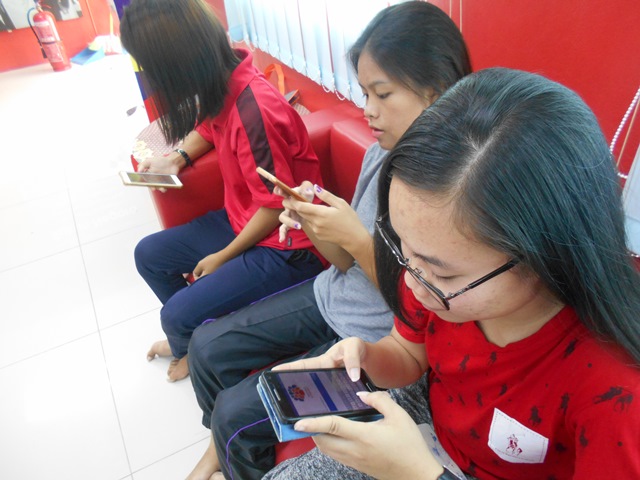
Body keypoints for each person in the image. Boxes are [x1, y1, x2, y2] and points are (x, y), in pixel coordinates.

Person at [263, 67, 640, 480]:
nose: (410, 281)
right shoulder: (430, 280)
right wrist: (368, 358)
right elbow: (409, 353)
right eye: (402, 247)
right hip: (430, 429)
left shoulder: (615, 393)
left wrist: (419, 474)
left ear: (545, 258)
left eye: (442, 275)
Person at [185, 2, 472, 479]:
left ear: (436, 91)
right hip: (333, 296)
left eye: (382, 94)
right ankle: (219, 445)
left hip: (375, 332)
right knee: (206, 347)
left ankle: (226, 444)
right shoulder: (382, 151)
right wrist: (314, 221)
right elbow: (342, 262)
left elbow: (422, 307)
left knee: (235, 416)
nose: (368, 110)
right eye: (364, 93)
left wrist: (357, 240)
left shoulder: (451, 187)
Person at [119, 0, 326, 382]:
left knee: (175, 315)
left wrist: (223, 258)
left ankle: (190, 342)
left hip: (288, 244)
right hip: (245, 219)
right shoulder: (224, 82)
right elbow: (209, 128)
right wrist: (177, 158)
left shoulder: (254, 111)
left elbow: (277, 206)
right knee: (149, 255)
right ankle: (190, 338)